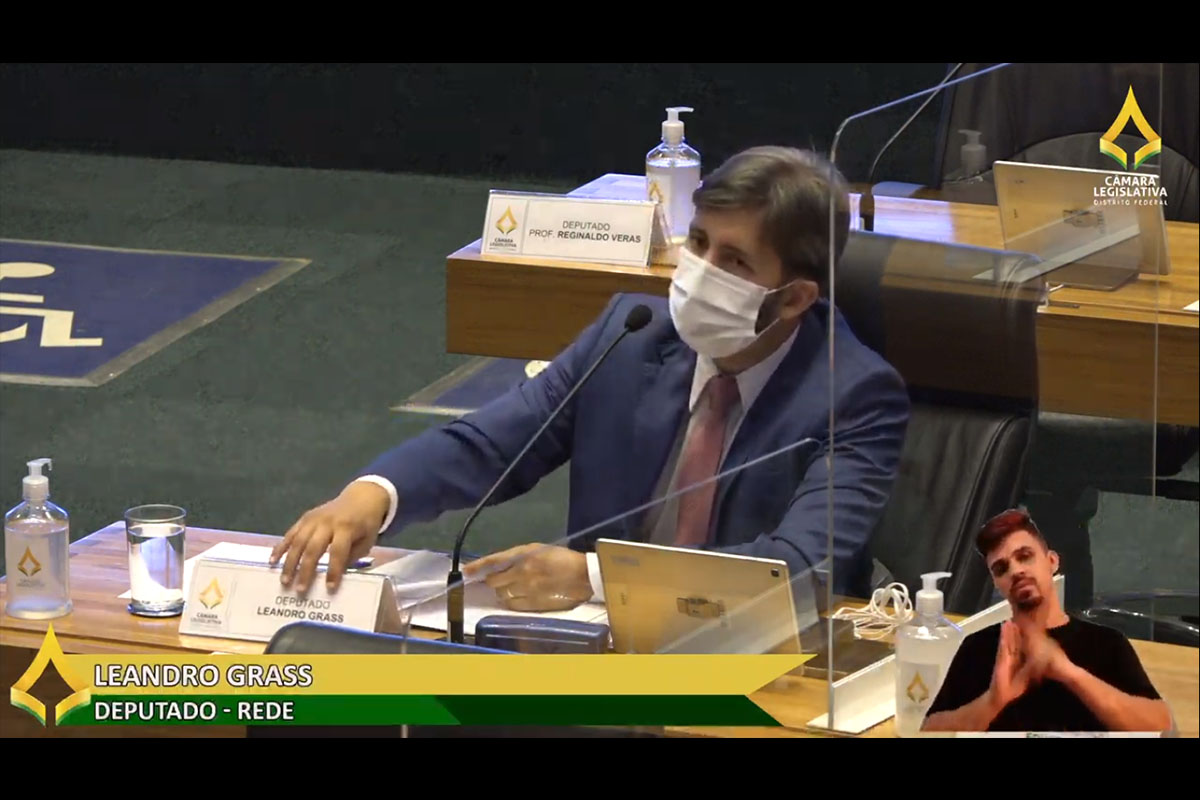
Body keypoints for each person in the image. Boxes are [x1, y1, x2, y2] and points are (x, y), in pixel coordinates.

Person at [270, 146, 910, 610]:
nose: (701, 272)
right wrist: (374, 495)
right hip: (595, 646)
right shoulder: (631, 334)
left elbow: (797, 569)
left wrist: (596, 579)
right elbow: (496, 443)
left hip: (765, 659)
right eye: (698, 243)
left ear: (795, 299)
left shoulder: (855, 397)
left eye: (735, 261)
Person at [922, 508, 1173, 733]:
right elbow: (929, 731)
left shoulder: (1105, 643)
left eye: (1025, 556)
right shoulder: (978, 647)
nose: (1015, 570)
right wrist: (993, 701)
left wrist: (1068, 672)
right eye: (1001, 569)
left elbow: (1160, 725)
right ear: (997, 583)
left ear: (1052, 561)